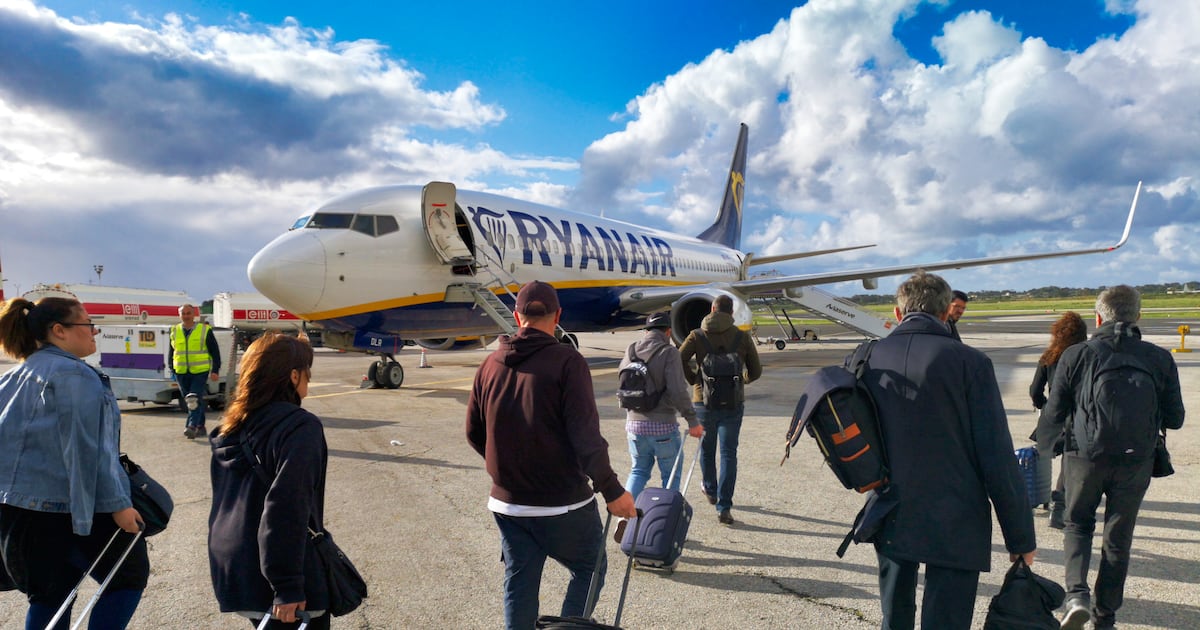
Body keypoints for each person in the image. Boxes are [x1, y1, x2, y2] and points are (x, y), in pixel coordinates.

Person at [862, 272, 1035, 629]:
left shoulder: (867, 358)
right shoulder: (970, 362)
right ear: (945, 313)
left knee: (894, 616)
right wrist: (1019, 536)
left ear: (898, 314)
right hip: (957, 513)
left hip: (890, 506)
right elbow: (997, 456)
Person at [466, 280, 636, 629]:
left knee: (520, 582)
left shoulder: (490, 364)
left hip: (507, 504)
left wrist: (508, 467)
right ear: (557, 316)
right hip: (562, 504)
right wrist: (613, 491)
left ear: (516, 316)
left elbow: (474, 432)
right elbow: (586, 437)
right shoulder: (567, 362)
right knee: (590, 568)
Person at [1039, 285, 1185, 629]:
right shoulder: (1159, 357)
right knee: (1118, 539)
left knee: (1077, 524)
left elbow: (1054, 412)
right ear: (1138, 316)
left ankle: (1076, 595)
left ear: (1098, 316)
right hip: (1137, 460)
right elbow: (1175, 418)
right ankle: (1106, 617)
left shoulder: (1077, 354)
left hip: (1085, 456)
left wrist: (1051, 444)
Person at [0, 296, 148, 630]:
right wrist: (119, 505)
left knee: (50, 596)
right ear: (59, 331)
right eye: (87, 324)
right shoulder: (75, 375)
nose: (94, 331)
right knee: (127, 578)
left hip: (18, 512)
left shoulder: (13, 376)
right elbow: (88, 449)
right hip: (68, 508)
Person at [208, 332, 330, 629]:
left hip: (234, 568)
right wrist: (287, 585)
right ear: (292, 376)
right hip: (279, 578)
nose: (308, 383)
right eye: (307, 374)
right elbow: (287, 506)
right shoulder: (299, 427)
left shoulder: (229, 427)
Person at [615, 311, 703, 542]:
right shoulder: (669, 351)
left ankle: (624, 519)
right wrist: (692, 421)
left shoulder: (631, 348)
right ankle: (662, 527)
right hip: (662, 426)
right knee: (670, 476)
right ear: (667, 332)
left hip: (633, 425)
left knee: (638, 470)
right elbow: (677, 390)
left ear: (646, 331)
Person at [678, 294, 762, 525]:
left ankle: (711, 491)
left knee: (706, 450)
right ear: (731, 313)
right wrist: (740, 380)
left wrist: (695, 379)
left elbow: (679, 359)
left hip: (703, 402)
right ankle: (724, 507)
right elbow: (756, 371)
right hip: (733, 403)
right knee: (728, 453)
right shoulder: (742, 336)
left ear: (712, 309)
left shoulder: (697, 335)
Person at [1028, 311, 1088, 529]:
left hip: (1055, 415)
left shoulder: (1048, 357)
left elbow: (1035, 390)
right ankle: (1060, 504)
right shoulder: (1086, 355)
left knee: (1045, 457)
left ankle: (1041, 495)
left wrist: (1044, 406)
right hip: (1079, 416)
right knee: (1069, 463)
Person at [169, 303, 222, 439]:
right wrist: (171, 369)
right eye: (183, 313)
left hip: (200, 371)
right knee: (192, 401)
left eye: (188, 313)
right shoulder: (174, 330)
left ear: (194, 315)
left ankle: (191, 426)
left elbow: (214, 352)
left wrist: (215, 370)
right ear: (179, 315)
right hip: (181, 371)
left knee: (192, 399)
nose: (186, 316)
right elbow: (172, 351)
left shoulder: (204, 330)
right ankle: (201, 426)